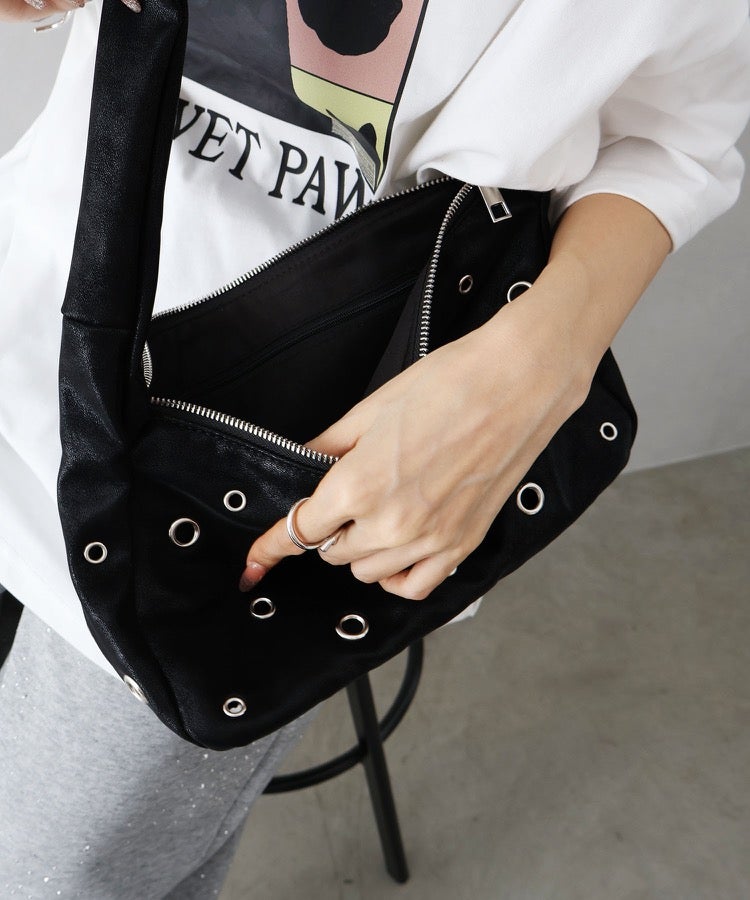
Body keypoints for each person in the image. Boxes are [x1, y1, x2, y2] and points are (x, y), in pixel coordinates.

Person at [0, 0, 749, 896]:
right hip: (36, 274)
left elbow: (679, 125)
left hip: (265, 471)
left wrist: (542, 364)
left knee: (47, 873)